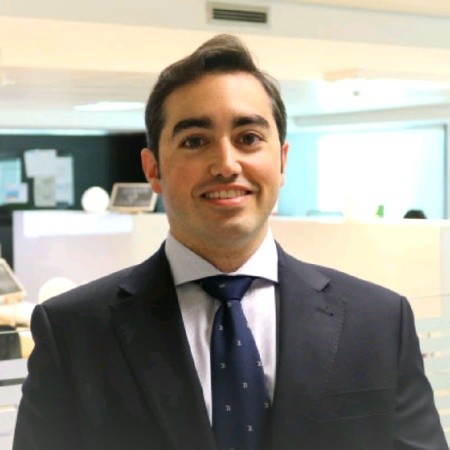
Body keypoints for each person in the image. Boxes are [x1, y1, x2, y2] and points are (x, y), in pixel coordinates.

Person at [13, 34, 448, 450]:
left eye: (249, 138)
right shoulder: (74, 332)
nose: (226, 164)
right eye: (195, 141)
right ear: (153, 170)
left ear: (282, 161)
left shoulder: (378, 322)